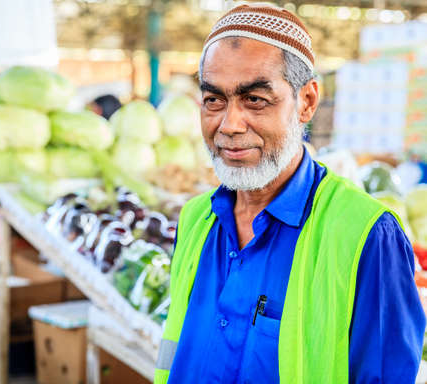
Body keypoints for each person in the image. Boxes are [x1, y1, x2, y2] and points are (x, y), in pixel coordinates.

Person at [154, 4, 426, 384]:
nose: (229, 124)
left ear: (308, 101)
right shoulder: (196, 218)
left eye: (255, 100)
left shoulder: (367, 235)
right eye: (214, 100)